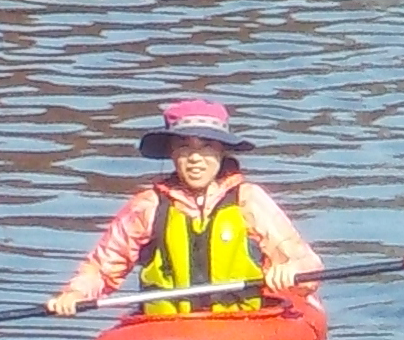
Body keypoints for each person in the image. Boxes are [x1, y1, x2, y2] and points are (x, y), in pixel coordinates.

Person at [46, 97, 321, 318]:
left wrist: (289, 269)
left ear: (222, 152)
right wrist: (76, 294)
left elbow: (306, 264)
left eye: (207, 146)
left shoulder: (249, 200)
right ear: (171, 153)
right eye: (184, 147)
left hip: (241, 325)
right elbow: (101, 267)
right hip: (168, 326)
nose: (195, 159)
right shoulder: (148, 206)